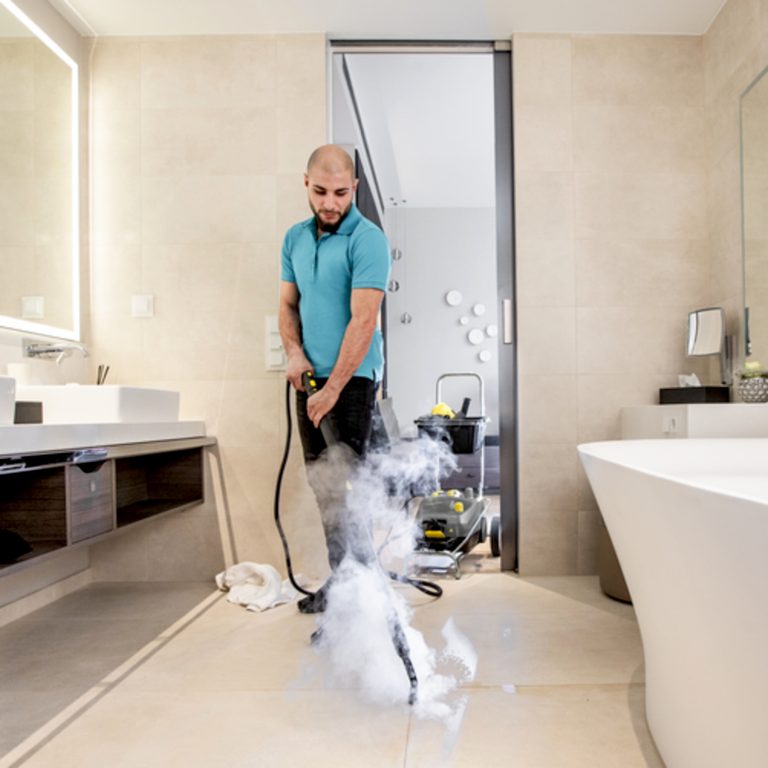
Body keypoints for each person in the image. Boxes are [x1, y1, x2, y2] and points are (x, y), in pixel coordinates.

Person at [278, 144, 391, 613]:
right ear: (306, 183)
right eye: (321, 191)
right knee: (325, 490)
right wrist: (294, 353)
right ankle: (346, 586)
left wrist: (333, 390)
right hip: (309, 381)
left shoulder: (368, 240)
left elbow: (363, 321)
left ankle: (366, 597)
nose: (330, 203)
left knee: (351, 491)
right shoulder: (294, 239)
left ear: (354, 188)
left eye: (341, 193)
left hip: (352, 383)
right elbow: (288, 305)